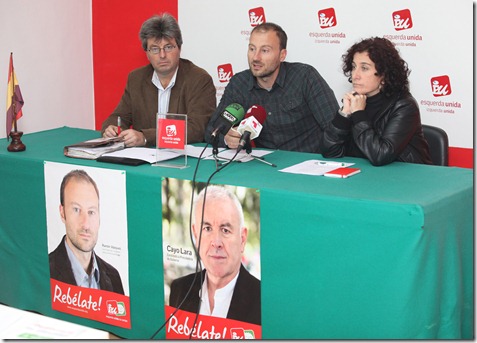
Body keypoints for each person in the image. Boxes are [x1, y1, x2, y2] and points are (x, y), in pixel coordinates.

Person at [204, 22, 338, 153]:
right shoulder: (239, 84)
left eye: (265, 50)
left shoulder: (305, 77)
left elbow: (335, 128)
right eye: (252, 49)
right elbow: (211, 131)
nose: (256, 57)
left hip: (306, 163)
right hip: (262, 167)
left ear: (282, 55)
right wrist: (227, 139)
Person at [102, 13, 216, 147]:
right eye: (155, 49)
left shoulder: (199, 80)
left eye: (168, 47)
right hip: (143, 159)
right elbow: (119, 116)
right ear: (147, 53)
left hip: (184, 159)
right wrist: (112, 128)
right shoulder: (136, 79)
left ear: (179, 48)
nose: (162, 55)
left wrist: (145, 137)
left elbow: (196, 129)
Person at [320, 37, 432, 166]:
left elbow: (380, 155)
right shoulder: (356, 100)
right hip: (364, 177)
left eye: (364, 68)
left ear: (383, 74)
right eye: (353, 67)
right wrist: (344, 114)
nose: (355, 75)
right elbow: (329, 152)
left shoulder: (404, 106)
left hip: (406, 179)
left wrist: (358, 114)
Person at [169, 185, 261, 325]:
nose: (216, 242)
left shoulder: (262, 299)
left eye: (225, 230)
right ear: (195, 234)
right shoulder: (179, 289)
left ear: (242, 239)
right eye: (207, 228)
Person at [49, 169, 124, 295]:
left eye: (91, 212)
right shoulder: (45, 271)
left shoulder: (114, 277)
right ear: (62, 213)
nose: (86, 224)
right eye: (77, 210)